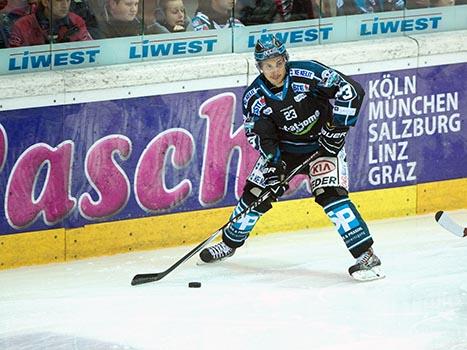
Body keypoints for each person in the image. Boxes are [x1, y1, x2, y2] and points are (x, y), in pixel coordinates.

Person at [199, 35, 385, 282]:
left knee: (331, 196)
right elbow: (259, 134)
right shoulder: (254, 97)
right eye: (268, 66)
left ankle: (366, 255)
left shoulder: (308, 73)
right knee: (256, 194)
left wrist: (337, 130)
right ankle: (230, 243)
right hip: (285, 150)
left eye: (278, 63)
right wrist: (275, 163)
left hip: (323, 145)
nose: (274, 70)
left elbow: (350, 91)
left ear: (285, 59)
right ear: (259, 67)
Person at [8, 0, 92, 47]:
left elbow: (90, 49)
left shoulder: (76, 21)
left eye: (68, 0)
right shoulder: (22, 25)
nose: (65, 5)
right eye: (59, 0)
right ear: (45, 2)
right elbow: (12, 57)